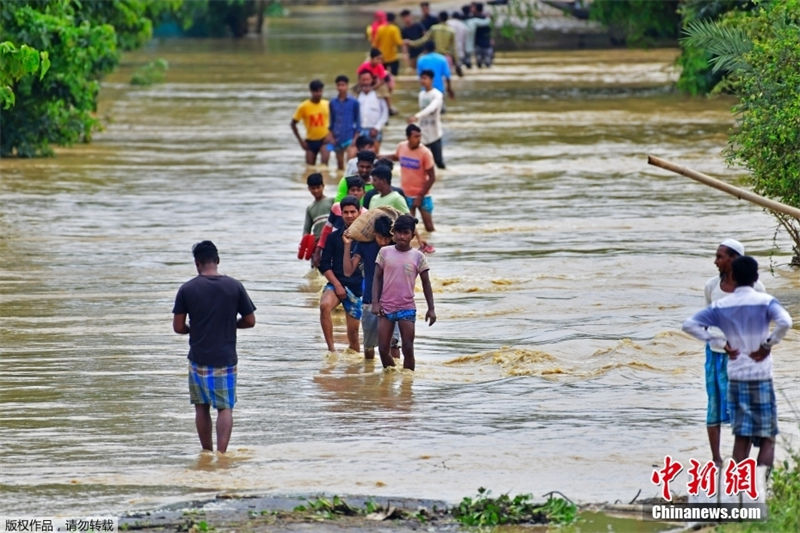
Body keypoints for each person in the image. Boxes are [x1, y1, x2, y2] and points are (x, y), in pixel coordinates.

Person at [683, 256, 791, 471]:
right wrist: (768, 344)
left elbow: (690, 325)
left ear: (733, 276)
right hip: (760, 375)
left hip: (736, 375)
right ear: (756, 277)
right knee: (767, 437)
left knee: (741, 437)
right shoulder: (765, 301)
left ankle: (740, 490)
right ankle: (759, 487)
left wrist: (721, 343)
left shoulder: (723, 304)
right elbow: (785, 322)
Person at [172, 241, 256, 453]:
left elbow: (178, 327)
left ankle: (207, 452)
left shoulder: (187, 289)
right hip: (225, 358)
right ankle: (222, 453)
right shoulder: (234, 286)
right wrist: (230, 324)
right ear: (217, 261)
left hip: (198, 357)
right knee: (225, 407)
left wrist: (194, 328)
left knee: (201, 407)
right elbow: (250, 320)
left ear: (197, 263)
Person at [699, 238, 766, 464]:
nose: (715, 261)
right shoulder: (711, 287)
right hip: (715, 357)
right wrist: (720, 342)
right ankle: (717, 460)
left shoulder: (756, 289)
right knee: (714, 406)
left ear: (734, 259)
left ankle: (741, 464)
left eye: (720, 256)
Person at [372, 214, 436, 370]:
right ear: (393, 233)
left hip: (406, 308)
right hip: (386, 308)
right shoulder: (384, 252)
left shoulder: (418, 257)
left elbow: (426, 283)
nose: (401, 236)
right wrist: (375, 302)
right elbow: (377, 279)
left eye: (406, 233)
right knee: (382, 349)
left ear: (412, 235)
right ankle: (391, 375)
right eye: (398, 232)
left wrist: (431, 309)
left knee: (408, 348)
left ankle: (407, 385)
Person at [343, 215, 395, 360]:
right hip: (370, 301)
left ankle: (394, 379)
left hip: (394, 302)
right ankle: (369, 374)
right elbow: (348, 271)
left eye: (387, 239)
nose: (384, 243)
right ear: (374, 235)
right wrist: (347, 245)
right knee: (369, 346)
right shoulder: (365, 245)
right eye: (381, 238)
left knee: (395, 344)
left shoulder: (396, 247)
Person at [319, 196, 364, 353]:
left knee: (353, 337)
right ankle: (331, 351)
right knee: (324, 306)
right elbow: (324, 264)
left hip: (358, 288)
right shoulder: (333, 237)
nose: (350, 216)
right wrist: (337, 285)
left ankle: (355, 372)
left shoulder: (366, 238)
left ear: (359, 213)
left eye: (353, 212)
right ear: (341, 214)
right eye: (346, 212)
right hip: (336, 283)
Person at [387, 124, 436, 251]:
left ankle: (430, 246)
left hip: (423, 195)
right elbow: (395, 157)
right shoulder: (401, 147)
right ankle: (414, 249)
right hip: (406, 194)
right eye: (415, 136)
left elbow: (432, 177)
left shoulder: (425, 152)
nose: (418, 139)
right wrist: (378, 156)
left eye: (419, 136)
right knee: (409, 226)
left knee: (429, 227)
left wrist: (420, 196)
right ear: (408, 137)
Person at [291, 79, 333, 166]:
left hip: (326, 140)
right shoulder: (303, 106)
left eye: (320, 91)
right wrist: (301, 141)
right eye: (316, 91)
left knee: (325, 165)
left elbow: (336, 121)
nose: (318, 94)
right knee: (309, 167)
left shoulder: (327, 104)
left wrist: (331, 135)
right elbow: (293, 124)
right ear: (311, 91)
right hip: (310, 142)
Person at [410, 69, 445, 169]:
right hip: (423, 133)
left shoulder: (437, 94)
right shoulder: (421, 95)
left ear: (431, 80)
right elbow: (423, 109)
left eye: (425, 78)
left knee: (438, 161)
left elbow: (432, 108)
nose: (422, 81)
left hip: (435, 133)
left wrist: (417, 116)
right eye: (421, 78)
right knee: (422, 161)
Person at [329, 75, 360, 172]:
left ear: (347, 86)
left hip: (350, 137)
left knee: (350, 163)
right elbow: (331, 121)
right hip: (337, 137)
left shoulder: (354, 102)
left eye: (343, 85)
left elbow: (358, 122)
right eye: (339, 85)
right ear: (336, 86)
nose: (341, 88)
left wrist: (355, 139)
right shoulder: (332, 102)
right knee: (340, 166)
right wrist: (332, 137)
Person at [302, 173, 334, 266]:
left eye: (318, 187)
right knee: (316, 268)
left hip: (331, 240)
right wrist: (306, 245)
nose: (316, 191)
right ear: (309, 189)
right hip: (316, 244)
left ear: (323, 186)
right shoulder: (310, 208)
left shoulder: (332, 201)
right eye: (313, 188)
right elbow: (306, 230)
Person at [355, 70, 389, 153]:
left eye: (368, 79)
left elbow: (385, 113)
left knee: (374, 155)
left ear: (372, 80)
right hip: (359, 130)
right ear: (359, 81)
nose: (366, 82)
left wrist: (377, 128)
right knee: (358, 156)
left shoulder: (379, 95)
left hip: (374, 130)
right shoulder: (356, 96)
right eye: (363, 80)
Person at [357, 49, 396, 117]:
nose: (379, 61)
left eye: (380, 59)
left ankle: (389, 108)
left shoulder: (380, 66)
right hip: (364, 84)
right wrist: (362, 86)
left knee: (385, 93)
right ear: (371, 59)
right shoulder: (364, 66)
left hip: (376, 84)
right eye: (377, 59)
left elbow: (382, 80)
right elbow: (359, 77)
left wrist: (373, 88)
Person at [374, 12, 405, 77]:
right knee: (394, 77)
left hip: (382, 58)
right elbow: (398, 42)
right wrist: (404, 43)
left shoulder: (380, 29)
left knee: (382, 76)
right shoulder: (394, 29)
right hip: (392, 57)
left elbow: (375, 44)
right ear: (393, 20)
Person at [462, 3, 490, 69]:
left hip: (465, 45)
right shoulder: (474, 20)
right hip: (472, 44)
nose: (472, 9)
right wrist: (488, 17)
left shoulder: (463, 20)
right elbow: (486, 22)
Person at [471, 2, 494, 68]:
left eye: (472, 7)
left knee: (479, 63)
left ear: (476, 8)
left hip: (478, 43)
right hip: (486, 43)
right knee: (488, 63)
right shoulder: (487, 18)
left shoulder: (473, 19)